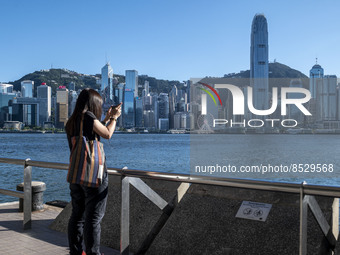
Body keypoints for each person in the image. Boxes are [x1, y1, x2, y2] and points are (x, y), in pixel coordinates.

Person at [65, 88, 122, 255]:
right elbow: (107, 134)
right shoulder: (88, 116)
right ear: (93, 104)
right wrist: (114, 118)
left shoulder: (72, 120)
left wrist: (105, 118)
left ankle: (76, 252)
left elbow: (93, 131)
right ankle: (93, 253)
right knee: (93, 218)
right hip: (93, 174)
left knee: (77, 216)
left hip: (76, 174)